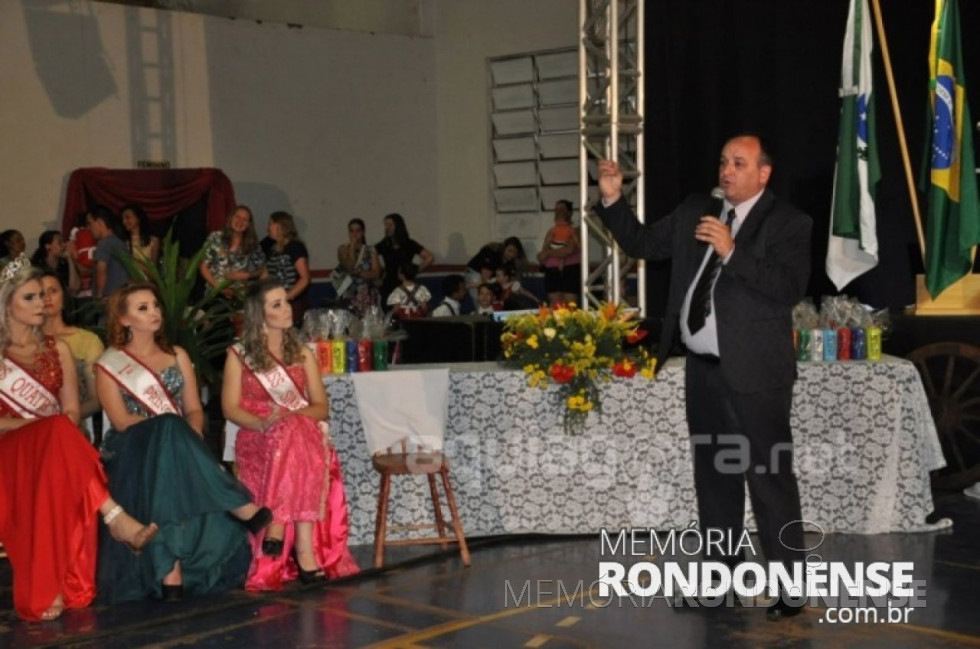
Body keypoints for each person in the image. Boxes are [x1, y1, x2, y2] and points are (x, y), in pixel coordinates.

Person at [593, 135, 812, 619]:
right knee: (714, 481)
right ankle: (719, 583)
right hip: (703, 371)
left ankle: (791, 589)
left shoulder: (789, 223)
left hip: (757, 376)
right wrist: (612, 197)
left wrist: (733, 251)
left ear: (764, 173)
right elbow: (643, 243)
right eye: (723, 161)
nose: (727, 170)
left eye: (739, 163)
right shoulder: (699, 209)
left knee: (769, 478)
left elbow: (787, 287)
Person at [0, 258, 158, 621]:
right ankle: (114, 516)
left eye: (43, 295)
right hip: (9, 452)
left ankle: (52, 579)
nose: (42, 302)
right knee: (55, 433)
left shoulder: (60, 350)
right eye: (30, 297)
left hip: (55, 449)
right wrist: (34, 427)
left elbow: (72, 412)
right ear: (7, 303)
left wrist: (48, 431)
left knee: (59, 436)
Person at [94, 283, 272, 603]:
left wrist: (185, 434)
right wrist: (170, 428)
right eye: (143, 308)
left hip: (178, 445)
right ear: (123, 320)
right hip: (131, 450)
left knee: (172, 452)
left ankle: (171, 572)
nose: (155, 313)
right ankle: (240, 505)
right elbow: (120, 421)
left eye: (155, 305)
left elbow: (194, 409)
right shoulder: (109, 363)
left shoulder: (178, 355)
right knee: (169, 432)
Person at [221, 280, 358, 590]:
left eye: (286, 302)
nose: (287, 309)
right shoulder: (238, 355)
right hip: (257, 434)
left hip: (295, 433)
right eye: (277, 304)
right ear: (260, 314)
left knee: (294, 430)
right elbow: (230, 408)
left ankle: (277, 526)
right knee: (292, 433)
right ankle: (304, 550)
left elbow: (321, 407)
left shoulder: (302, 353)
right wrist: (264, 424)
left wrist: (289, 418)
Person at [39, 271, 103, 437]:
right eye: (40, 293)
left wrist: (64, 418)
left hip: (69, 429)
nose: (47, 298)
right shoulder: (22, 343)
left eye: (53, 291)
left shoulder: (87, 341)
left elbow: (96, 399)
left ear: (64, 296)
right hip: (27, 428)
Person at [200, 205, 266, 299]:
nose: (240, 222)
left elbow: (262, 269)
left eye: (245, 219)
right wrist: (220, 288)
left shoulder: (252, 243)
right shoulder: (215, 237)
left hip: (239, 295)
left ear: (248, 224)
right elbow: (203, 267)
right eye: (237, 217)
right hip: (214, 293)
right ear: (231, 218)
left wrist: (246, 275)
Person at [261, 211, 310, 324]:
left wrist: (287, 297)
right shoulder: (271, 248)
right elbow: (265, 275)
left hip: (293, 303)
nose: (268, 227)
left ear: (279, 226)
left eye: (270, 224)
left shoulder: (295, 247)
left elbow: (305, 278)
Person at [375, 213, 433, 303]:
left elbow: (429, 257)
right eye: (386, 225)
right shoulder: (384, 244)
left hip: (406, 283)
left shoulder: (409, 244)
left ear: (398, 226)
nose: (387, 227)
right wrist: (378, 275)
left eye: (390, 225)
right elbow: (371, 254)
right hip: (388, 284)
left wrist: (415, 270)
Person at [537, 200, 582, 306]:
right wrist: (546, 254)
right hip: (552, 271)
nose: (558, 212)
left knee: (570, 305)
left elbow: (568, 250)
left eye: (562, 209)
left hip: (570, 269)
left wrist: (548, 253)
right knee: (556, 306)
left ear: (569, 213)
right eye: (556, 210)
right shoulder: (551, 231)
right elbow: (543, 254)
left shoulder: (575, 230)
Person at [334, 218, 381, 315]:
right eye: (351, 231)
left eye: (358, 230)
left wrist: (360, 273)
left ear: (363, 232)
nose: (354, 234)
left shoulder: (370, 250)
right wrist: (352, 247)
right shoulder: (342, 249)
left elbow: (376, 273)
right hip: (348, 292)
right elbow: (349, 267)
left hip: (366, 294)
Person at [87, 207, 129, 299]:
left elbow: (101, 270)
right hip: (122, 296)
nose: (89, 228)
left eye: (90, 224)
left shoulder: (104, 243)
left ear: (99, 222)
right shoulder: (121, 242)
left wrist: (100, 296)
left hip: (108, 298)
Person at [31, 231, 78, 295]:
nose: (64, 245)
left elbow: (75, 287)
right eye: (60, 243)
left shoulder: (63, 264)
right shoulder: (36, 266)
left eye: (63, 242)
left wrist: (70, 260)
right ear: (48, 246)